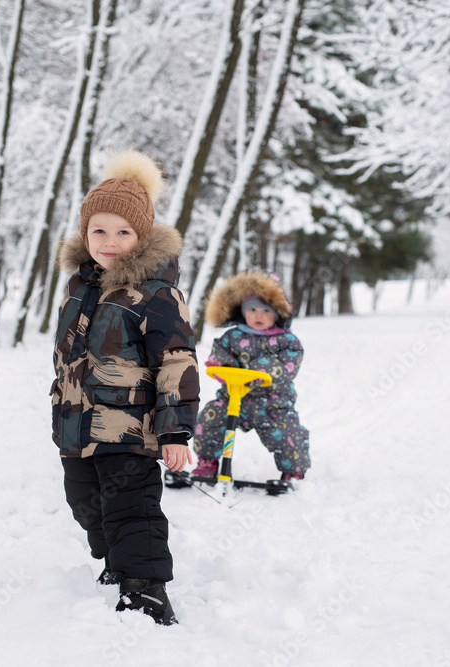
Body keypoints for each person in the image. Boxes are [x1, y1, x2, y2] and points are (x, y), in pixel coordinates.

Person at [52, 149, 199, 626]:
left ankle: (145, 589)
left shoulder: (156, 294)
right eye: (99, 230)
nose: (109, 241)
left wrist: (176, 431)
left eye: (123, 232)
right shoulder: (79, 287)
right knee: (86, 506)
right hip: (78, 430)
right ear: (85, 233)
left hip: (131, 429)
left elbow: (176, 362)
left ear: (141, 236)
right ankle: (115, 561)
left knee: (131, 509)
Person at [191, 270, 311, 482]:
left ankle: (294, 470)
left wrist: (260, 369)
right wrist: (223, 365)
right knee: (209, 418)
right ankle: (207, 462)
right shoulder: (233, 336)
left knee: (290, 435)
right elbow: (220, 352)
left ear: (277, 312)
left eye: (266, 310)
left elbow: (288, 367)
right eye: (252, 309)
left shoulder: (287, 342)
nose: (258, 315)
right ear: (242, 311)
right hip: (233, 398)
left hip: (273, 404)